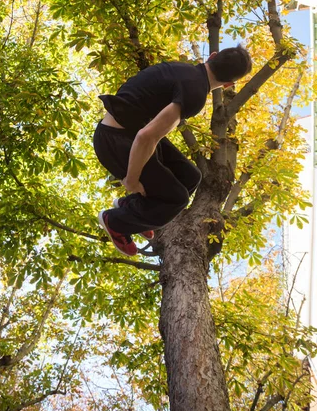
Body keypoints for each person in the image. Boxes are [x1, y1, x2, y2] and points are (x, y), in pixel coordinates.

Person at [93, 45, 252, 257]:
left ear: (212, 57)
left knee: (190, 177)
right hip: (116, 142)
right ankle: (115, 222)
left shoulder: (182, 70)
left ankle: (130, 207)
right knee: (176, 199)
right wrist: (131, 180)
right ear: (229, 84)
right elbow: (147, 137)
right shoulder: (195, 92)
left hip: (125, 131)